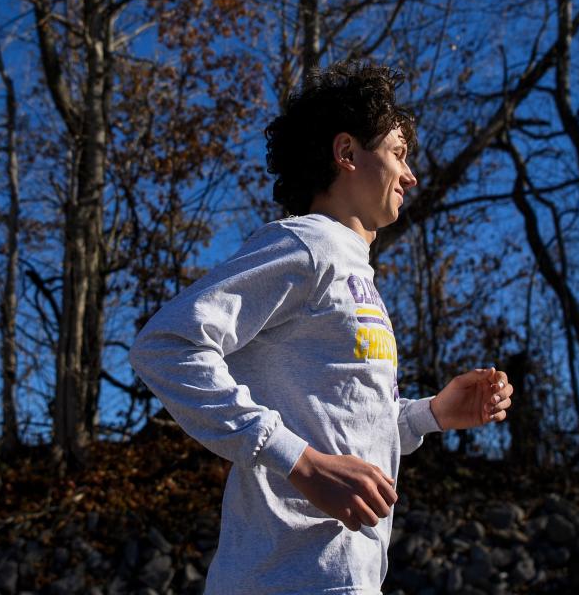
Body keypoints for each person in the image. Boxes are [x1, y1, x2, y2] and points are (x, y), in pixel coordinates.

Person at [129, 60, 514, 594]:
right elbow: (167, 344)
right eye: (399, 154)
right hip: (286, 578)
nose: (411, 176)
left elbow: (344, 424)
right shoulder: (307, 244)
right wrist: (302, 464)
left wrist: (431, 414)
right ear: (347, 154)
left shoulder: (355, 272)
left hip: (342, 576)